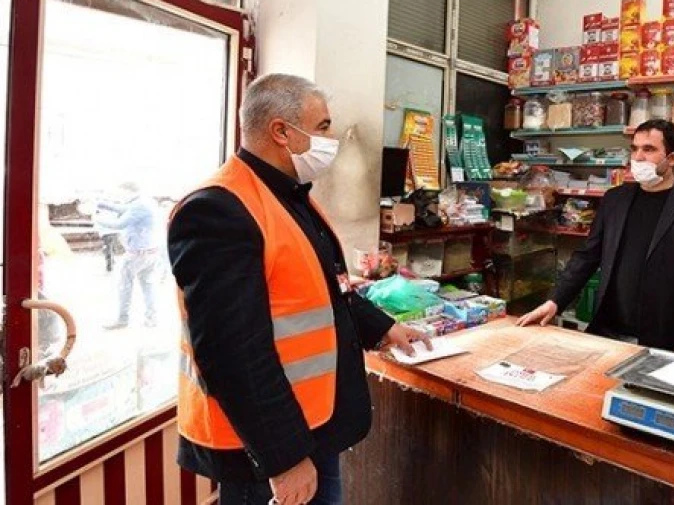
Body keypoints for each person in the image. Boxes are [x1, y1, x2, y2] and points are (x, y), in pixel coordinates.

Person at [168, 73, 430, 505]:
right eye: (323, 127)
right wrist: (284, 459)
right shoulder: (219, 211)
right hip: (263, 445)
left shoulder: (287, 196)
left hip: (311, 424)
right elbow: (231, 350)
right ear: (281, 132)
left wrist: (381, 327)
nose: (332, 138)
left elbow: (326, 291)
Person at [518, 119, 674, 356]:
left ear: (671, 159)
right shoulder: (614, 199)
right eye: (634, 148)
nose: (638, 157)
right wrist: (555, 301)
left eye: (648, 149)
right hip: (607, 333)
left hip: (666, 340)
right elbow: (587, 256)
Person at [96, 182, 161, 329]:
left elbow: (119, 224)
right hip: (150, 253)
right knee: (148, 285)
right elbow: (123, 208)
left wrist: (97, 220)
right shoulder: (144, 202)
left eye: (120, 192)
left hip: (137, 254)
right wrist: (102, 204)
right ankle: (151, 318)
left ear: (128, 191)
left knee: (125, 286)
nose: (119, 196)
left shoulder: (138, 205)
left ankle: (122, 319)